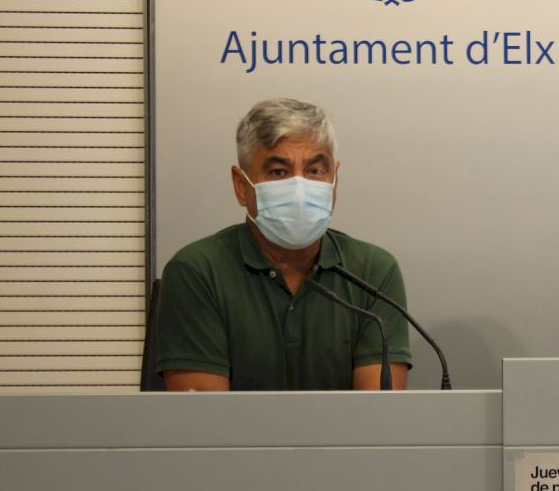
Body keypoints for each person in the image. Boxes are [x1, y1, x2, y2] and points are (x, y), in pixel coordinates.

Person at [156, 98, 411, 390]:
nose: (300, 188)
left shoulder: (372, 272)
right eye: (279, 172)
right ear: (241, 186)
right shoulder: (198, 271)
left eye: (315, 171)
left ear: (334, 180)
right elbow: (204, 415)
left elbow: (378, 413)